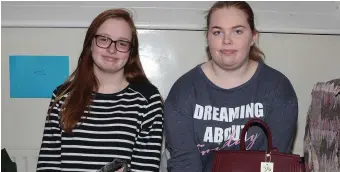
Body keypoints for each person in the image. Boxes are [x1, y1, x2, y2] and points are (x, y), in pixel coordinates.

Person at [164, 1, 299, 172]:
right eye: (218, 32)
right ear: (207, 37)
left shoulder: (278, 89)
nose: (227, 40)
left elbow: (273, 164)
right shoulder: (183, 92)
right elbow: (184, 165)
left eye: (237, 31)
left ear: (253, 37)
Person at [36, 8, 164, 172]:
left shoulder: (148, 100)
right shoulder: (62, 96)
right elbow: (48, 165)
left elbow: (146, 168)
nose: (112, 49)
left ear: (131, 52)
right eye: (104, 39)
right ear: (90, 43)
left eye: (122, 43)